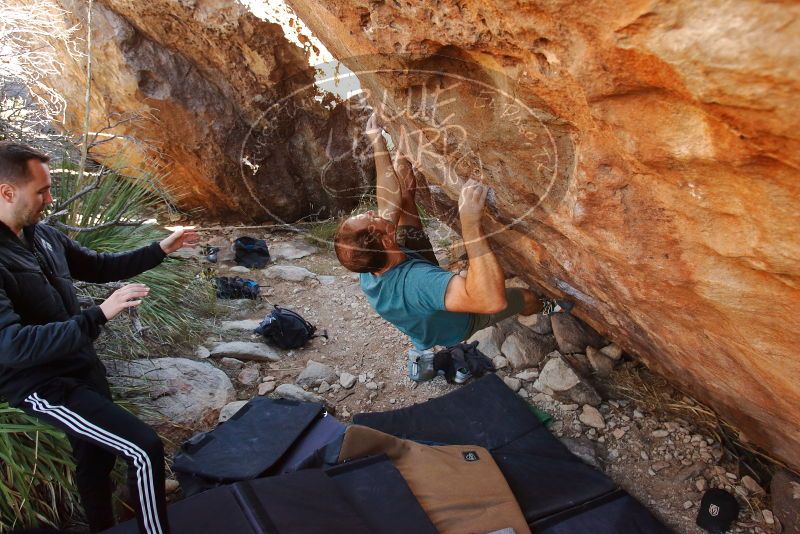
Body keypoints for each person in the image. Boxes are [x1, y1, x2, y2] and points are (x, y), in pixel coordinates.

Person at [0, 141, 198, 534]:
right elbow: (12, 345)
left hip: (80, 364)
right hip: (42, 384)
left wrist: (160, 248)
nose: (50, 199)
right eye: (41, 191)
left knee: (95, 459)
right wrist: (100, 314)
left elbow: (98, 266)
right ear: (7, 192)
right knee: (143, 448)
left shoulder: (42, 236)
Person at [334, 116, 572, 382]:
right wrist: (470, 223)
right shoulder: (417, 283)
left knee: (404, 200)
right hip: (460, 321)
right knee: (524, 296)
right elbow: (490, 301)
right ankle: (542, 307)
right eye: (371, 218)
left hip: (406, 269)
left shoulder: (370, 260)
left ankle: (407, 189)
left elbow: (389, 202)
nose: (372, 211)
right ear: (386, 240)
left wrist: (376, 138)